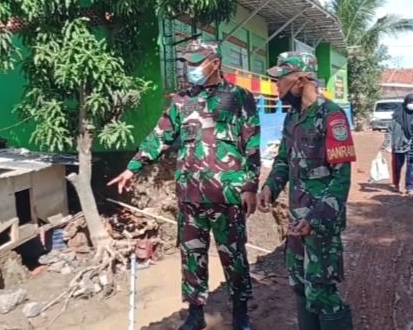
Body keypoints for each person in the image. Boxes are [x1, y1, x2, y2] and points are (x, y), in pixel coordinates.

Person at [108, 40, 260, 330]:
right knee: (192, 255)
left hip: (228, 194)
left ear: (214, 62)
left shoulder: (239, 97)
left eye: (196, 62)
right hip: (190, 196)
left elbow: (252, 143)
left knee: (235, 256)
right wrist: (133, 167)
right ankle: (195, 313)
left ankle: (241, 313)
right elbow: (160, 136)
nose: (190, 68)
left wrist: (251, 186)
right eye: (187, 63)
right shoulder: (182, 100)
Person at [259, 52, 356, 329]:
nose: (275, 86)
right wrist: (270, 187)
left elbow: (341, 180)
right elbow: (282, 161)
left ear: (301, 80)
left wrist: (314, 219)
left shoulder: (332, 116)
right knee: (300, 286)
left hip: (320, 223)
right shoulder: (292, 118)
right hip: (296, 220)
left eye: (281, 79)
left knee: (322, 292)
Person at [381, 93, 413, 194]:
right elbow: (389, 130)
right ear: (405, 103)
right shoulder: (397, 116)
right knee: (397, 166)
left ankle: (409, 187)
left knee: (411, 166)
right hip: (398, 146)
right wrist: (387, 144)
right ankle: (396, 184)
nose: (412, 104)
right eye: (410, 102)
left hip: (412, 145)